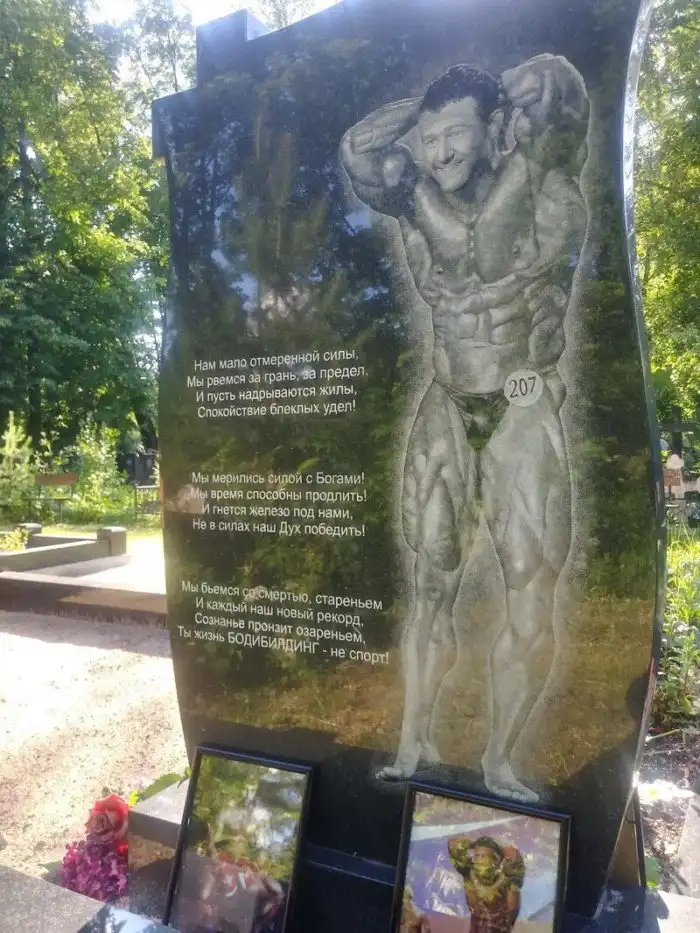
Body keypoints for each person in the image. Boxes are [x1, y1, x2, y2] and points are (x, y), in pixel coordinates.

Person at [340, 55, 589, 800]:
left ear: (497, 130)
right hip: (448, 402)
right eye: (430, 139)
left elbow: (558, 92)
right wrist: (426, 106)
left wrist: (499, 94)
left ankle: (499, 761)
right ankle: (413, 742)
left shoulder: (543, 189)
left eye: (456, 133)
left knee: (531, 590)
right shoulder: (416, 202)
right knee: (431, 582)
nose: (440, 151)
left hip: (520, 402)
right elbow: (358, 151)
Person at [447, 835, 525, 933]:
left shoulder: (507, 880)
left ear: (496, 860)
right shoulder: (469, 874)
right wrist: (473, 844)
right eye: (477, 855)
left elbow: (513, 910)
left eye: (484, 856)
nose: (480, 860)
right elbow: (453, 846)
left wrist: (500, 849)